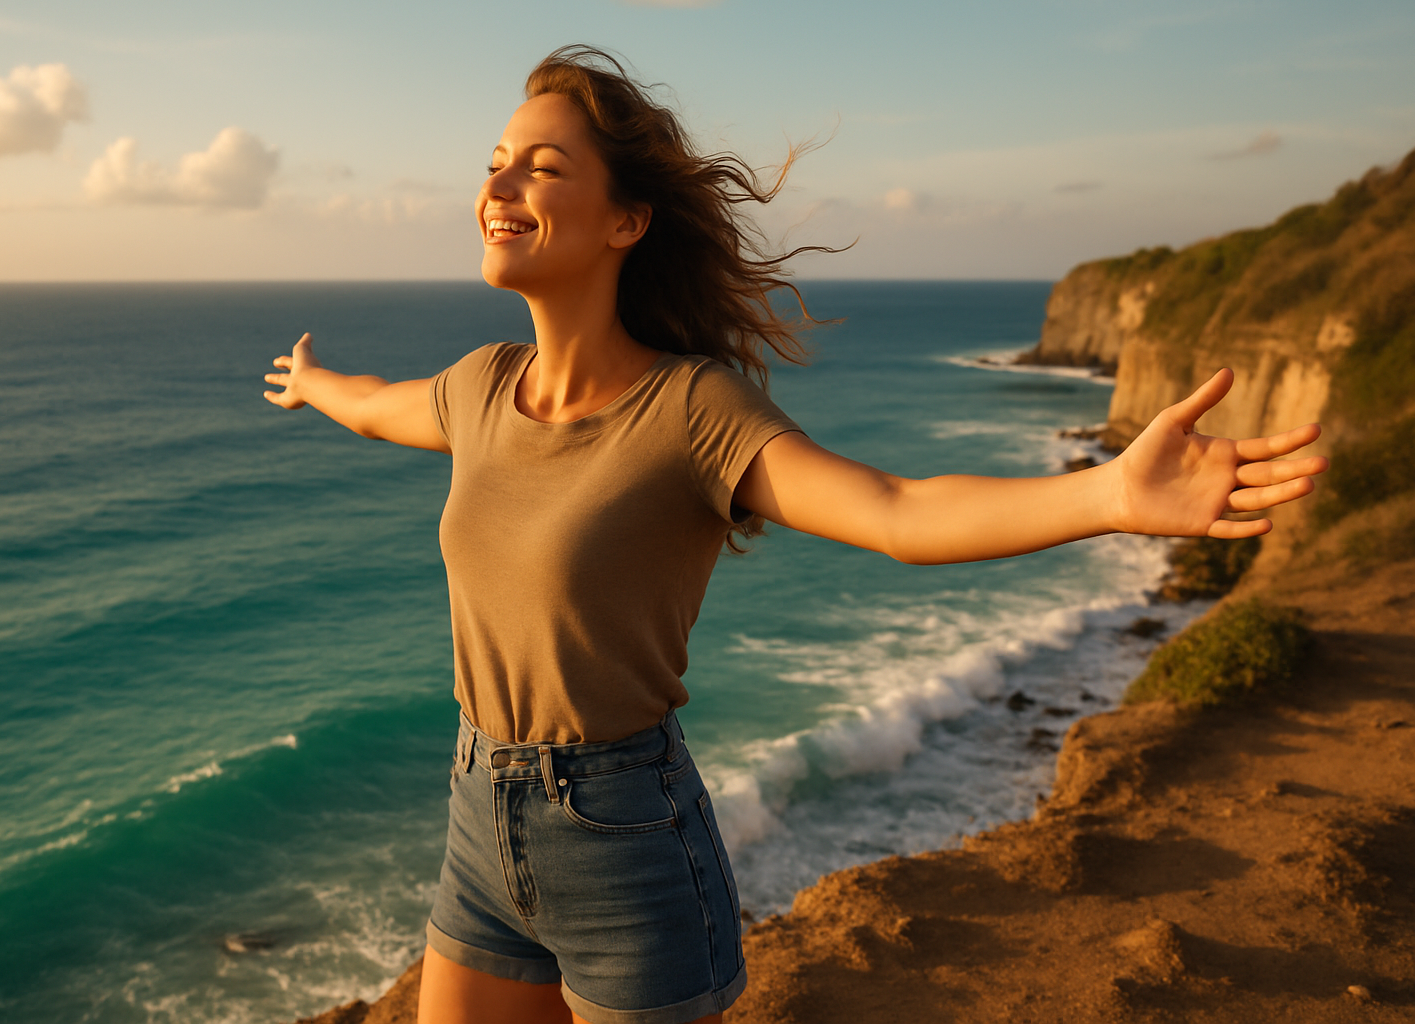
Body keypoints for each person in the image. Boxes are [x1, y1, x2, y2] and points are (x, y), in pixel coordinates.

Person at [263, 45, 1327, 1024]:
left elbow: (897, 511)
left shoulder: (690, 411)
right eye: (495, 165)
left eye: (541, 168)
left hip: (623, 839)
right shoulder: (480, 388)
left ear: (627, 221)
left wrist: (1109, 492)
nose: (498, 188)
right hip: (477, 816)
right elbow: (379, 404)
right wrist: (313, 382)